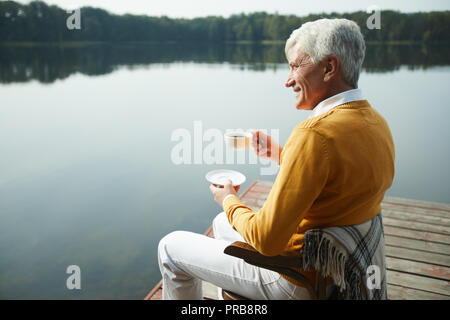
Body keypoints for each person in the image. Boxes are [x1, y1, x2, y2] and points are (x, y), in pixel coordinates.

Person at [158, 18, 395, 300]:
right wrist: (282, 155)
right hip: (336, 266)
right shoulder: (375, 122)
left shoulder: (314, 134)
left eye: (296, 65)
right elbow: (337, 182)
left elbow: (268, 241)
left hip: (297, 277)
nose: (288, 79)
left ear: (329, 67)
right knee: (222, 223)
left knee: (171, 247)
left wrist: (230, 198)